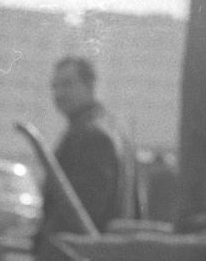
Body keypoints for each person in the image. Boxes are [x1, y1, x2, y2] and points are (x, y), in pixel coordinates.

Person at [32, 55, 140, 250]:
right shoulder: (113, 129)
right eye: (55, 86)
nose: (59, 93)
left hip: (81, 259)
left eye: (67, 85)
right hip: (106, 254)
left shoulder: (91, 136)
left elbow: (80, 212)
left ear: (90, 86)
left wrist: (48, 249)